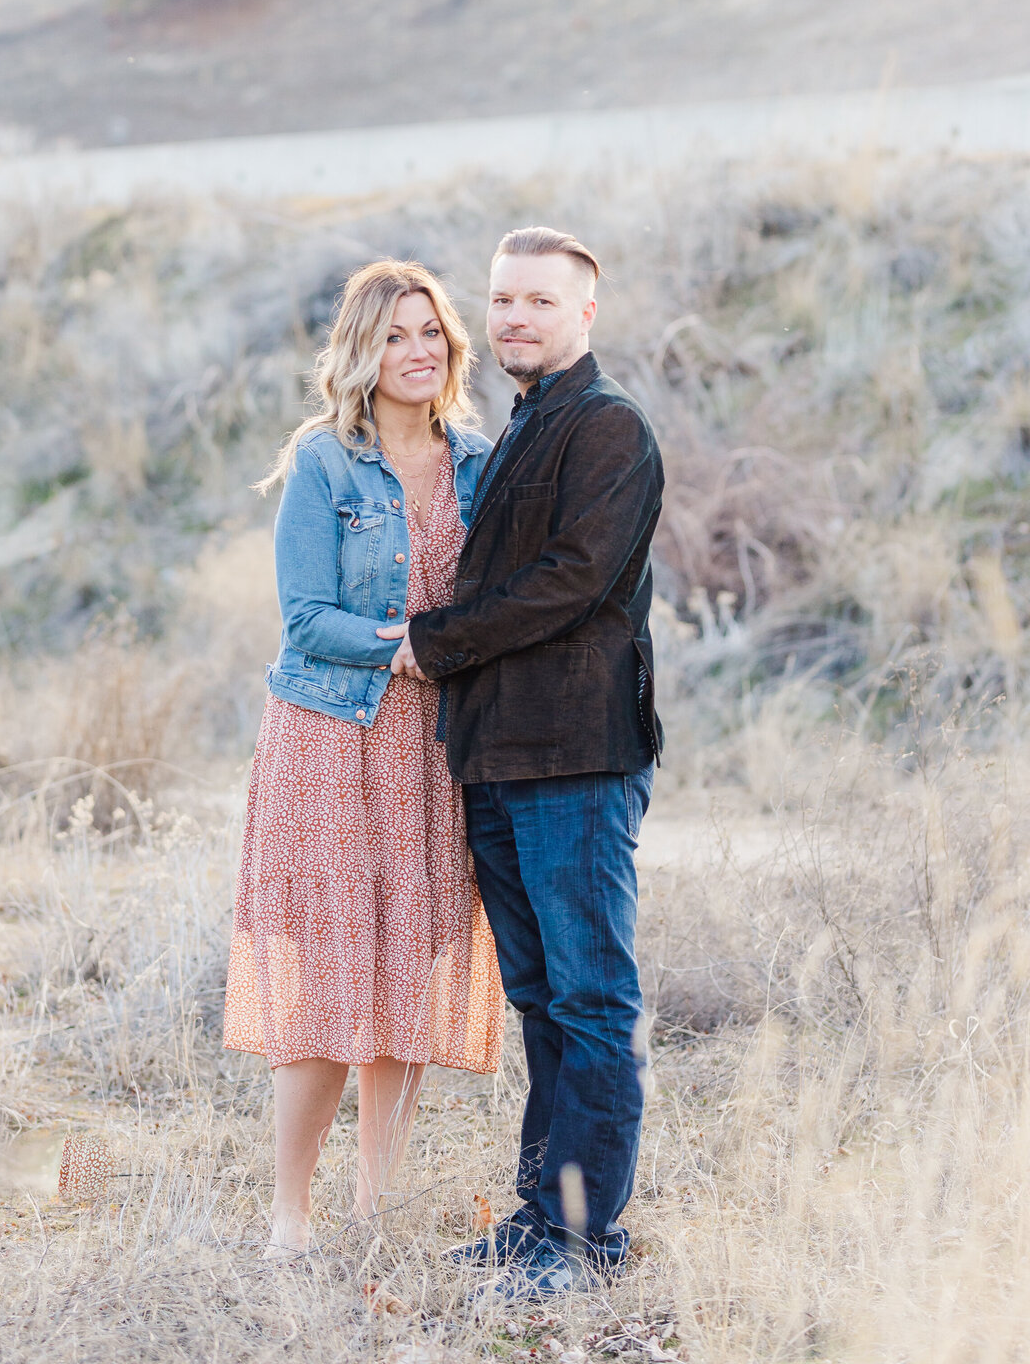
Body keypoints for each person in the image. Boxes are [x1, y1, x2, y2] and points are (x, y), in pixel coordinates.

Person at [381, 225, 665, 1299]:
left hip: (578, 758)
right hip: (500, 757)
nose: (515, 319)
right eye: (502, 301)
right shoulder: (521, 426)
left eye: (540, 302)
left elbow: (572, 580)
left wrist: (434, 641)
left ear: (584, 313)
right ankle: (543, 1219)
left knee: (592, 998)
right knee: (543, 1000)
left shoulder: (607, 428)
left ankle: (589, 1240)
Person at [223, 259, 504, 1258]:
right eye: (395, 335)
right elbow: (305, 620)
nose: (418, 350)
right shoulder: (324, 464)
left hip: (432, 753)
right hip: (333, 741)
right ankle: (288, 1217)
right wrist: (418, 650)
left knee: (408, 976)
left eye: (431, 331)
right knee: (330, 981)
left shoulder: (478, 461)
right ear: (361, 351)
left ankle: (373, 1210)